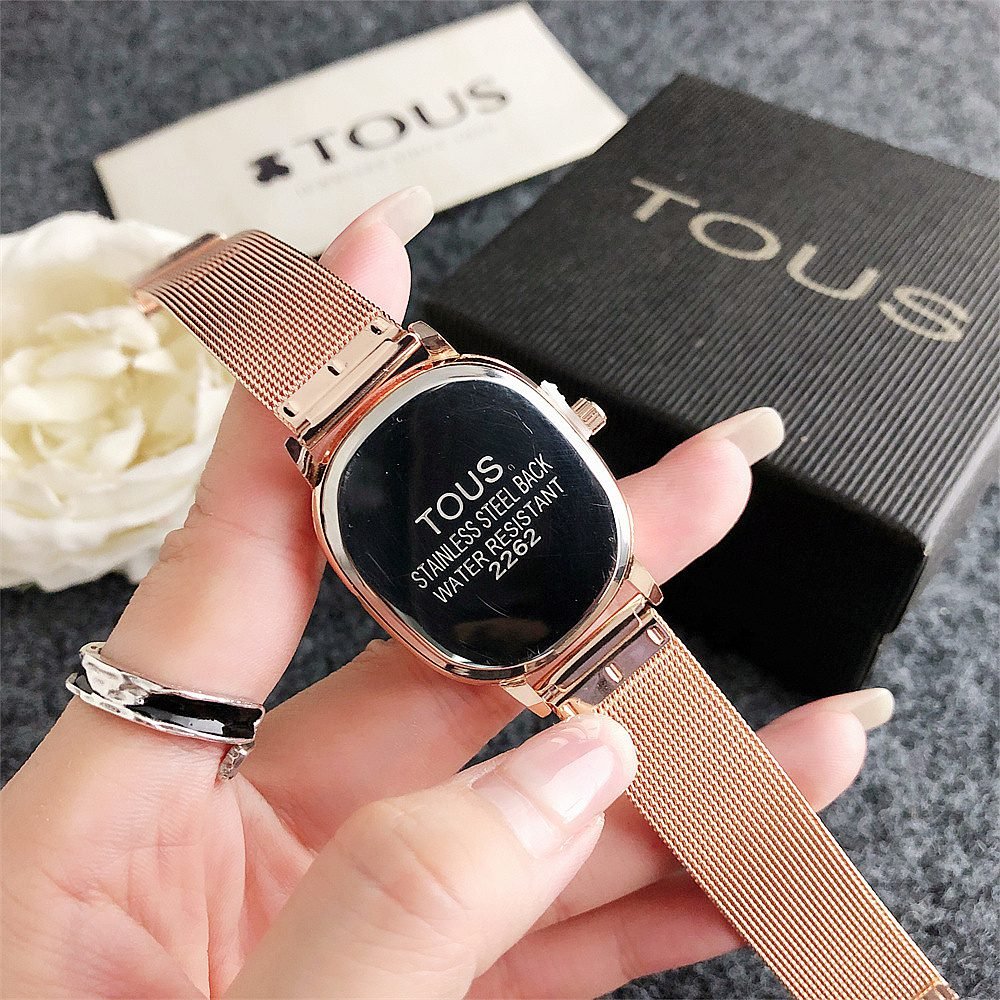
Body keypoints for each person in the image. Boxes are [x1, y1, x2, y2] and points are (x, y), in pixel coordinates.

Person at [0, 190, 892, 999]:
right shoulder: (380, 467)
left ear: (565, 428)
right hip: (563, 611)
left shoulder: (402, 446)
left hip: (577, 600)